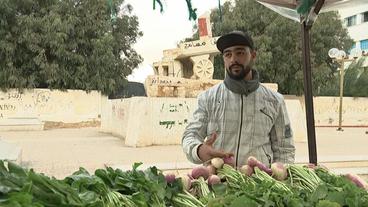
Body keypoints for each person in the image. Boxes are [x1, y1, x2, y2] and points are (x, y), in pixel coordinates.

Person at [182, 30, 295, 168]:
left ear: (253, 55)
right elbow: (190, 135)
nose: (233, 59)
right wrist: (199, 150)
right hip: (218, 184)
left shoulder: (274, 101)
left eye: (240, 53)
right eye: (228, 54)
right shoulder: (208, 98)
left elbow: (285, 149)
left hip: (260, 185)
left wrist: (278, 179)